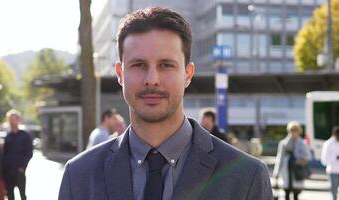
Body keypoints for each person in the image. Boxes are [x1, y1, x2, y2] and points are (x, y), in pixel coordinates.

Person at [59, 7, 273, 200]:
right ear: (119, 74)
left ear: (188, 74)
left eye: (166, 65)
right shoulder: (79, 176)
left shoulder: (246, 177)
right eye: (139, 64)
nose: (152, 79)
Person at [273, 121, 311, 200]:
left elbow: (308, 156)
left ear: (299, 131)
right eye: (292, 130)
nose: (293, 133)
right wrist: (276, 172)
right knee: (286, 192)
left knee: (296, 193)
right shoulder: (283, 143)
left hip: (297, 169)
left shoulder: (302, 143)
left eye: (295, 130)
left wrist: (300, 160)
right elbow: (280, 157)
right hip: (287, 169)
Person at [3, 109, 33, 200]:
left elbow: (29, 153)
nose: (12, 121)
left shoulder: (25, 135)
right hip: (8, 171)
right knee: (10, 195)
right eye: (10, 119)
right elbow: (5, 153)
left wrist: (22, 167)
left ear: (19, 120)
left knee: (22, 195)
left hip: (19, 171)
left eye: (14, 119)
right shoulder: (8, 136)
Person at [321, 126, 339, 200]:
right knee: (334, 191)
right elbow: (324, 161)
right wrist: (335, 158)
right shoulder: (328, 144)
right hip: (333, 171)